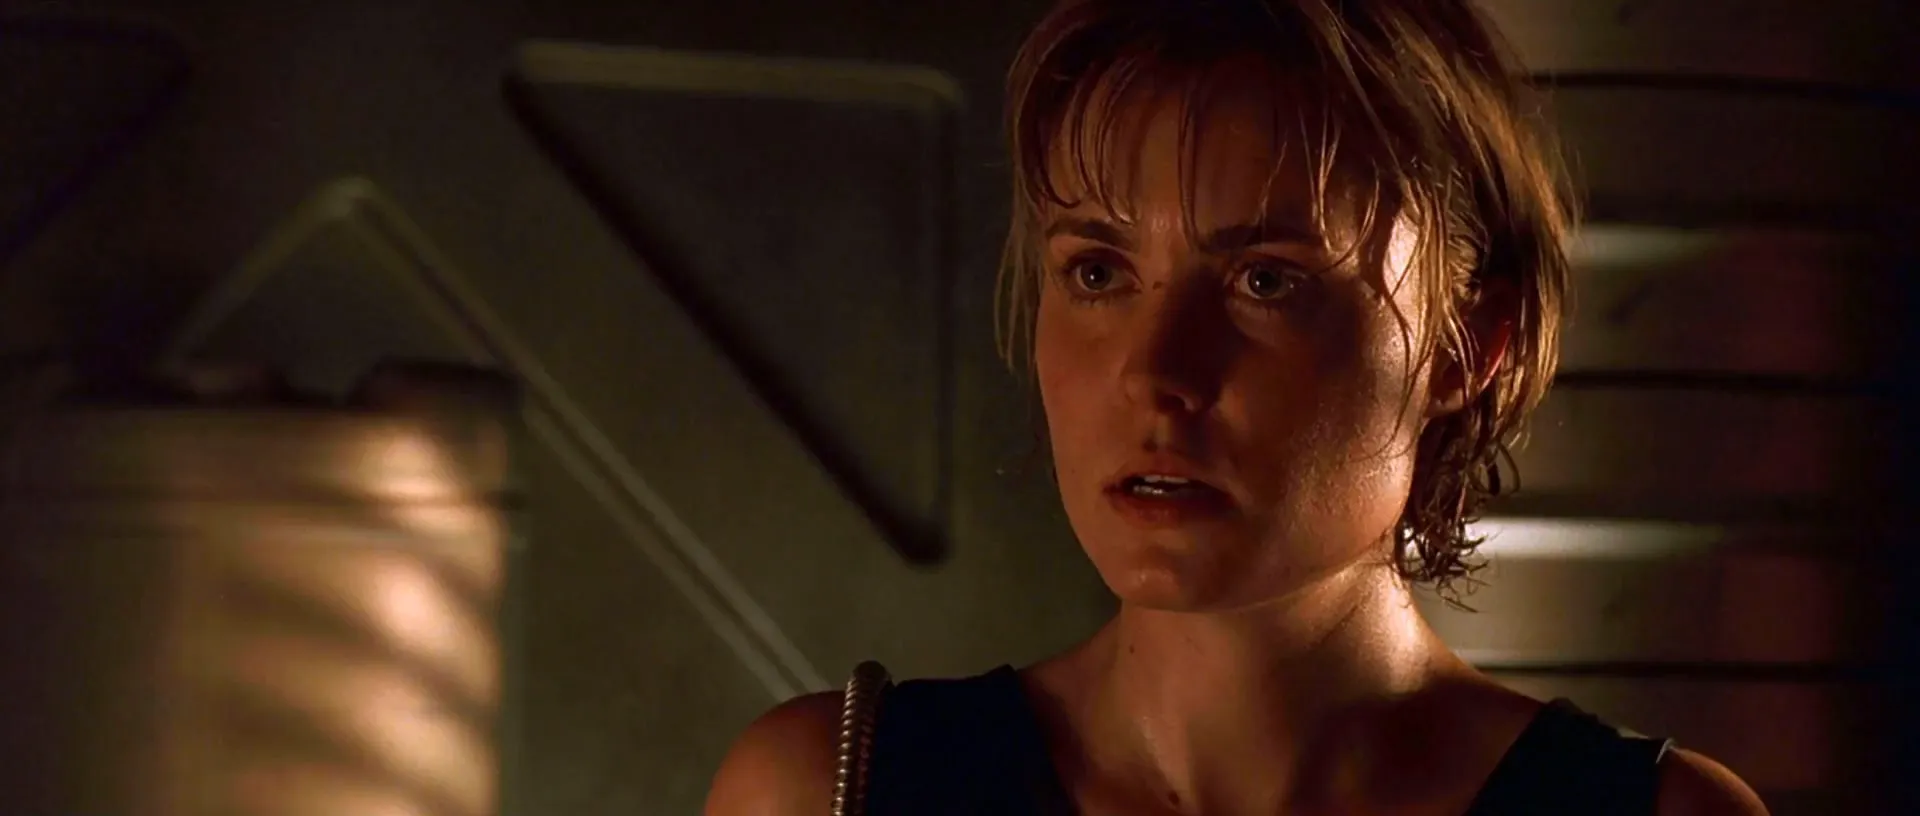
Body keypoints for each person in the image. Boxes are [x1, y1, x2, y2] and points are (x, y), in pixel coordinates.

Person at [705, 0, 1770, 813]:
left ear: (1466, 347)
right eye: (1098, 272)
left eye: (1267, 280)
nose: (1155, 368)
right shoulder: (828, 792)